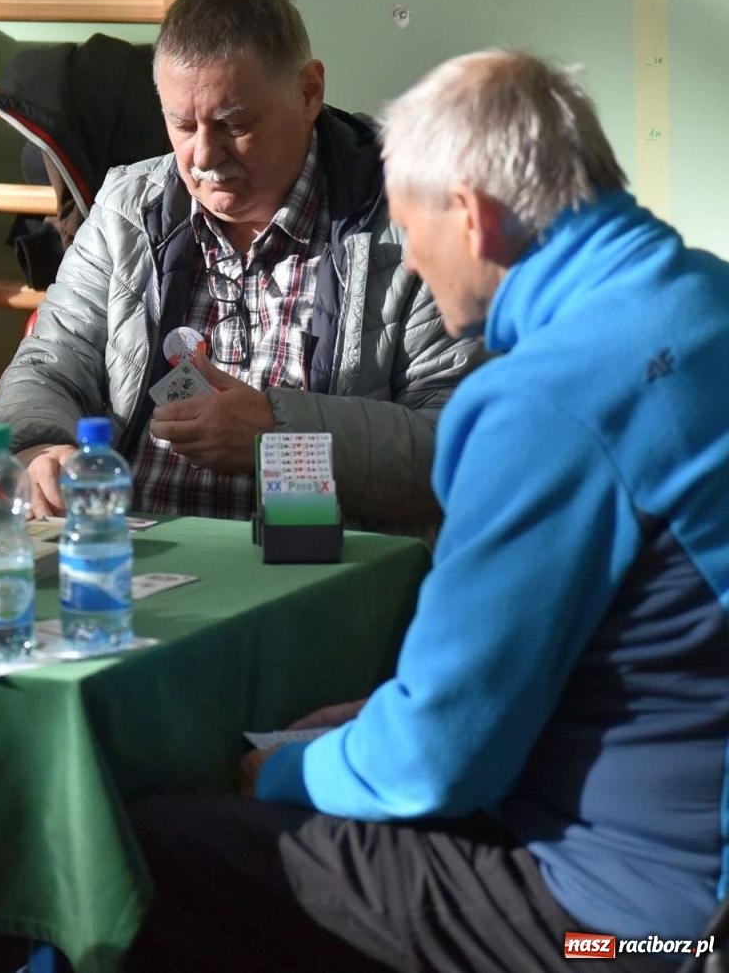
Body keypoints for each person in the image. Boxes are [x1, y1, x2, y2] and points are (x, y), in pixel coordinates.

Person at [124, 51, 729, 972]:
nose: (407, 256)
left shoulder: (545, 401)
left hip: (631, 922)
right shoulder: (703, 301)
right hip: (690, 853)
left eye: (410, 227)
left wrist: (288, 770)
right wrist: (393, 712)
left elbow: (437, 767)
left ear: (473, 216)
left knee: (146, 852)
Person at [0, 0, 480, 532]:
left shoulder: (411, 224)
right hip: (126, 557)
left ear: (308, 92)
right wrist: (42, 449)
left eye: (235, 124)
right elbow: (49, 365)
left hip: (319, 578)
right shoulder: (128, 206)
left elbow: (461, 445)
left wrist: (277, 431)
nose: (202, 154)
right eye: (180, 124)